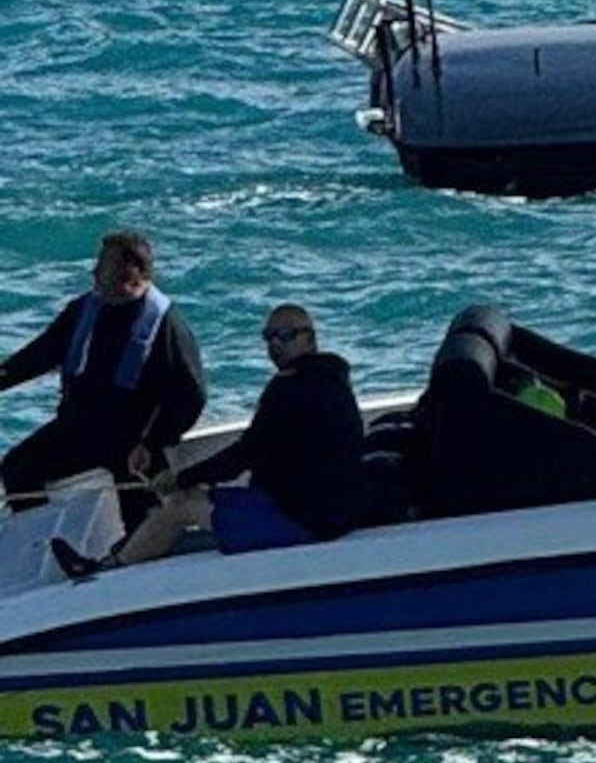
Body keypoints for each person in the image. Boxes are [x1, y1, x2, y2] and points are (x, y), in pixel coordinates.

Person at [51, 304, 374, 579]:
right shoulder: (330, 379)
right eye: (269, 337)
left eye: (286, 336)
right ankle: (138, 550)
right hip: (312, 506)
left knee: (180, 507)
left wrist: (178, 478)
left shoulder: (291, 388)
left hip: (303, 520)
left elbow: (246, 452)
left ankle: (106, 573)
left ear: (310, 339)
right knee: (190, 499)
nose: (275, 344)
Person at [1, 229, 206, 527]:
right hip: (78, 430)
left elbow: (191, 395)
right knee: (19, 467)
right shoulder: (82, 311)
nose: (94, 272)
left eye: (104, 265)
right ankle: (41, 540)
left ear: (131, 272)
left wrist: (152, 442)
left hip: (134, 441)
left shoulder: (167, 325)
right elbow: (37, 357)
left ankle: (138, 558)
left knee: (141, 510)